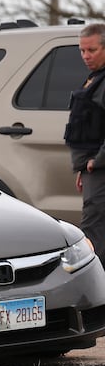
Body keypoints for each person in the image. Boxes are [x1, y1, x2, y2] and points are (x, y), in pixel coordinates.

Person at [65, 23, 105, 264]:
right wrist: (83, 168)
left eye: (92, 50)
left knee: (93, 232)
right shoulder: (94, 78)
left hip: (99, 169)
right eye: (82, 51)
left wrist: (95, 162)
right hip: (91, 169)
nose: (86, 56)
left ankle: (95, 289)